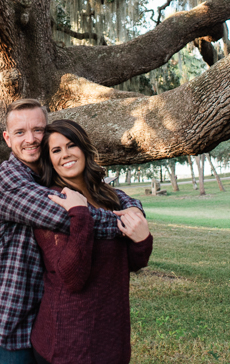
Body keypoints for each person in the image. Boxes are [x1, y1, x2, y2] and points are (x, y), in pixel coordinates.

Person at [0, 100, 144, 364]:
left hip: (43, 322)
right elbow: (70, 217)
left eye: (38, 130)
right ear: (8, 139)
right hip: (8, 325)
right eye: (20, 132)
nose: (30, 139)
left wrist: (134, 210)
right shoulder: (7, 178)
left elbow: (109, 194)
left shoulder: (47, 176)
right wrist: (125, 224)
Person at [29, 119, 152, 364]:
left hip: (111, 335)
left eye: (71, 145)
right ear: (49, 160)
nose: (65, 154)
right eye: (56, 150)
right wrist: (80, 215)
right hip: (67, 344)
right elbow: (72, 278)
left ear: (84, 148)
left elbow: (132, 263)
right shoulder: (52, 202)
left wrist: (142, 240)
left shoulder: (108, 197)